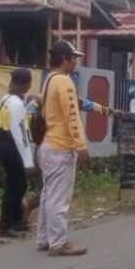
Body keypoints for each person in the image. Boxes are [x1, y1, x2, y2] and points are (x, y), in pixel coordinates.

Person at [22, 94, 123, 224]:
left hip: (43, 147)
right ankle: (34, 211)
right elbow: (89, 105)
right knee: (53, 190)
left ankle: (34, 215)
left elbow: (25, 114)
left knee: (47, 188)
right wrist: (111, 112)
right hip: (56, 148)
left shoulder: (42, 99)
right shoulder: (63, 97)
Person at [37, 40, 91, 256]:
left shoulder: (49, 79)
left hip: (48, 146)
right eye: (74, 58)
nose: (76, 62)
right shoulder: (65, 81)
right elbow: (72, 115)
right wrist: (81, 145)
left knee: (48, 196)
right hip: (61, 147)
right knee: (59, 199)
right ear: (65, 59)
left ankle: (44, 239)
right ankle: (58, 243)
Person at [0, 68, 35, 238]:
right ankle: (5, 226)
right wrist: (28, 162)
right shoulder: (16, 104)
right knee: (15, 187)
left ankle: (17, 222)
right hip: (12, 148)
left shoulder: (6, 99)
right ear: (26, 85)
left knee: (17, 185)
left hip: (3, 146)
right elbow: (21, 135)